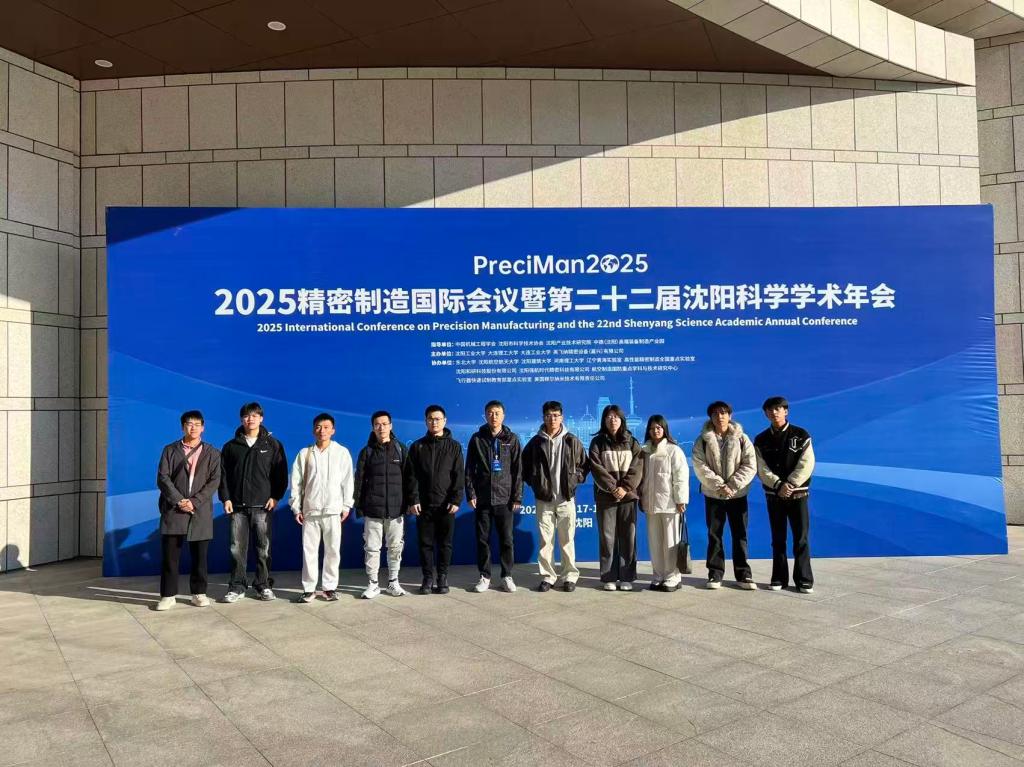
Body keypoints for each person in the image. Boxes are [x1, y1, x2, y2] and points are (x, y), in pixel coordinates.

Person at [219, 402, 288, 603]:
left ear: (261, 418)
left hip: (262, 506)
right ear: (242, 419)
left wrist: (275, 496)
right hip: (237, 507)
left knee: (263, 549)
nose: (250, 419)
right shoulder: (231, 446)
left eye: (255, 416)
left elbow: (280, 474)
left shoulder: (273, 445)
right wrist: (226, 498)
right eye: (247, 416)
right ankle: (237, 587)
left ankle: (263, 585)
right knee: (236, 549)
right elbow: (223, 476)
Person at [155, 410, 221, 610]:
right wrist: (179, 501)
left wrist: (194, 502)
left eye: (197, 424)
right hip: (173, 511)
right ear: (183, 427)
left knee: (200, 558)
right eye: (189, 424)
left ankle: (199, 593)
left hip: (200, 511)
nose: (193, 428)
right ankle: (168, 596)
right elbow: (163, 478)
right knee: (170, 558)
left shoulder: (212, 452)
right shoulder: (170, 450)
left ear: (203, 428)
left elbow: (214, 481)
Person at [523, 401, 589, 592]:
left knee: (567, 539)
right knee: (546, 541)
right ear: (543, 417)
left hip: (566, 498)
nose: (552, 419)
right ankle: (548, 576)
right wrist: (536, 483)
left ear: (562, 417)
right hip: (544, 499)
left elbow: (584, 465)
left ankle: (569, 576)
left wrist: (574, 480)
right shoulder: (536, 442)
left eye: (556, 415)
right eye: (548, 415)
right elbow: (524, 466)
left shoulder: (572, 440)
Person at [692, 401, 757, 590]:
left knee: (740, 535)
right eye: (715, 414)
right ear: (710, 418)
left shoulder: (742, 438)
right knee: (715, 535)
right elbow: (699, 465)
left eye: (723, 413)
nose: (719, 416)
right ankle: (715, 574)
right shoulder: (702, 440)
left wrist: (733, 485)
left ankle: (743, 575)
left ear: (730, 415)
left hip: (738, 495)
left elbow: (750, 464)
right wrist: (720, 486)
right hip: (714, 495)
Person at [754, 396, 816, 594]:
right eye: (770, 410)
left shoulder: (801, 434)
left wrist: (790, 484)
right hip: (774, 496)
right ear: (766, 414)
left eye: (778, 409)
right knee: (778, 538)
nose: (774, 413)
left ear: (786, 411)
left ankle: (804, 579)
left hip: (798, 495)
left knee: (801, 538)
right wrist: (778, 484)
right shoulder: (761, 439)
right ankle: (779, 577)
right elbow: (761, 468)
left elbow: (807, 463)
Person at [289, 413, 354, 603]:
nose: (322, 431)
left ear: (333, 430)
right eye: (318, 427)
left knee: (333, 551)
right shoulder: (305, 453)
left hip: (333, 510)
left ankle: (329, 588)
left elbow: (348, 481)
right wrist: (296, 507)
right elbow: (296, 483)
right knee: (309, 551)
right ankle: (309, 589)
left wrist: (346, 505)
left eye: (326, 427)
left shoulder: (341, 452)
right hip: (310, 510)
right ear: (313, 430)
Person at [465, 400, 523, 593]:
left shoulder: (512, 439)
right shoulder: (477, 438)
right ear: (485, 415)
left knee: (507, 540)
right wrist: (471, 493)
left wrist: (517, 497)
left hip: (505, 498)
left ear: (503, 416)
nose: (494, 416)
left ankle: (507, 576)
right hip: (483, 498)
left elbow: (518, 470)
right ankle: (485, 576)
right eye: (490, 413)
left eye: (497, 413)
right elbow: (469, 469)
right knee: (483, 540)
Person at [407, 405, 464, 594]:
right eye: (431, 419)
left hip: (446, 505)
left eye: (438, 419)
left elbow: (458, 475)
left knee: (445, 544)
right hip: (423, 505)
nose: (434, 422)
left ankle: (442, 577)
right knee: (425, 545)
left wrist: (456, 500)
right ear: (426, 421)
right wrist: (414, 499)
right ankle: (427, 578)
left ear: (444, 421)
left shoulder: (454, 446)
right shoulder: (417, 446)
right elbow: (411, 476)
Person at [589, 404, 644, 591]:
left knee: (628, 537)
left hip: (628, 497)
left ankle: (627, 577)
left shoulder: (632, 442)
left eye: (616, 417)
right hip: (606, 498)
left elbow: (638, 467)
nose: (612, 420)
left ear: (622, 420)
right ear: (604, 420)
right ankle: (609, 577)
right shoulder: (597, 442)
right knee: (607, 538)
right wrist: (613, 488)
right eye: (609, 417)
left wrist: (625, 488)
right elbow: (596, 468)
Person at [354, 411, 408, 599]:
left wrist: (409, 503)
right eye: (377, 424)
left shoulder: (400, 449)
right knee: (371, 548)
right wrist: (359, 506)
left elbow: (409, 479)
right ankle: (373, 584)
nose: (381, 427)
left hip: (396, 510)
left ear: (391, 426)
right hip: (373, 510)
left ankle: (393, 582)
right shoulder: (366, 452)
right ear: (373, 427)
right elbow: (359, 481)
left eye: (385, 424)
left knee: (395, 548)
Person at [640, 415, 689, 592]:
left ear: (665, 429)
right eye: (652, 428)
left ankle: (672, 577)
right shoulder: (644, 451)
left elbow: (681, 476)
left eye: (659, 427)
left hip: (670, 504)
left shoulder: (673, 450)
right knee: (655, 543)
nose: (656, 431)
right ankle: (658, 575)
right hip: (650, 504)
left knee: (671, 542)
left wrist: (681, 499)